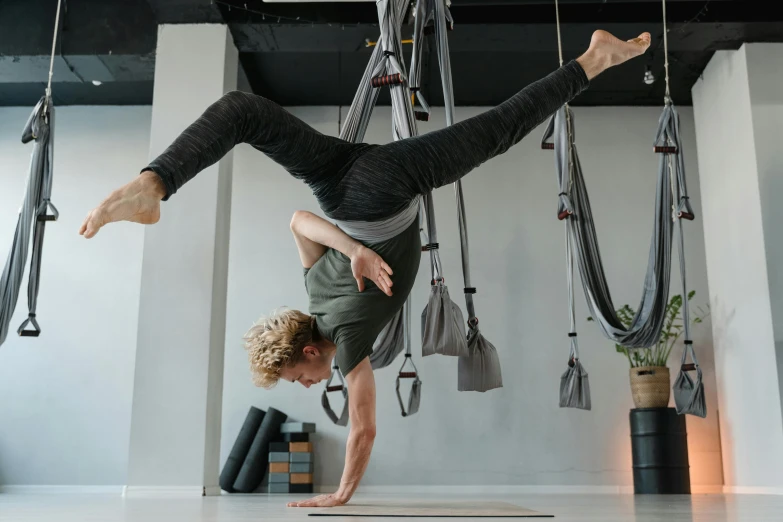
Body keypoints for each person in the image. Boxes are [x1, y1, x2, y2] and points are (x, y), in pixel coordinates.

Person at [80, 30, 650, 507]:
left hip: (383, 189)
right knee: (241, 112)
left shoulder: (346, 340)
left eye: (298, 378)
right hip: (335, 180)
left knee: (501, 129)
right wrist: (346, 250)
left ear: (308, 352)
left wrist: (342, 494)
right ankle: (154, 182)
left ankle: (594, 59)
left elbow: (364, 429)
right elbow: (299, 220)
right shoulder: (313, 286)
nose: (307, 385)